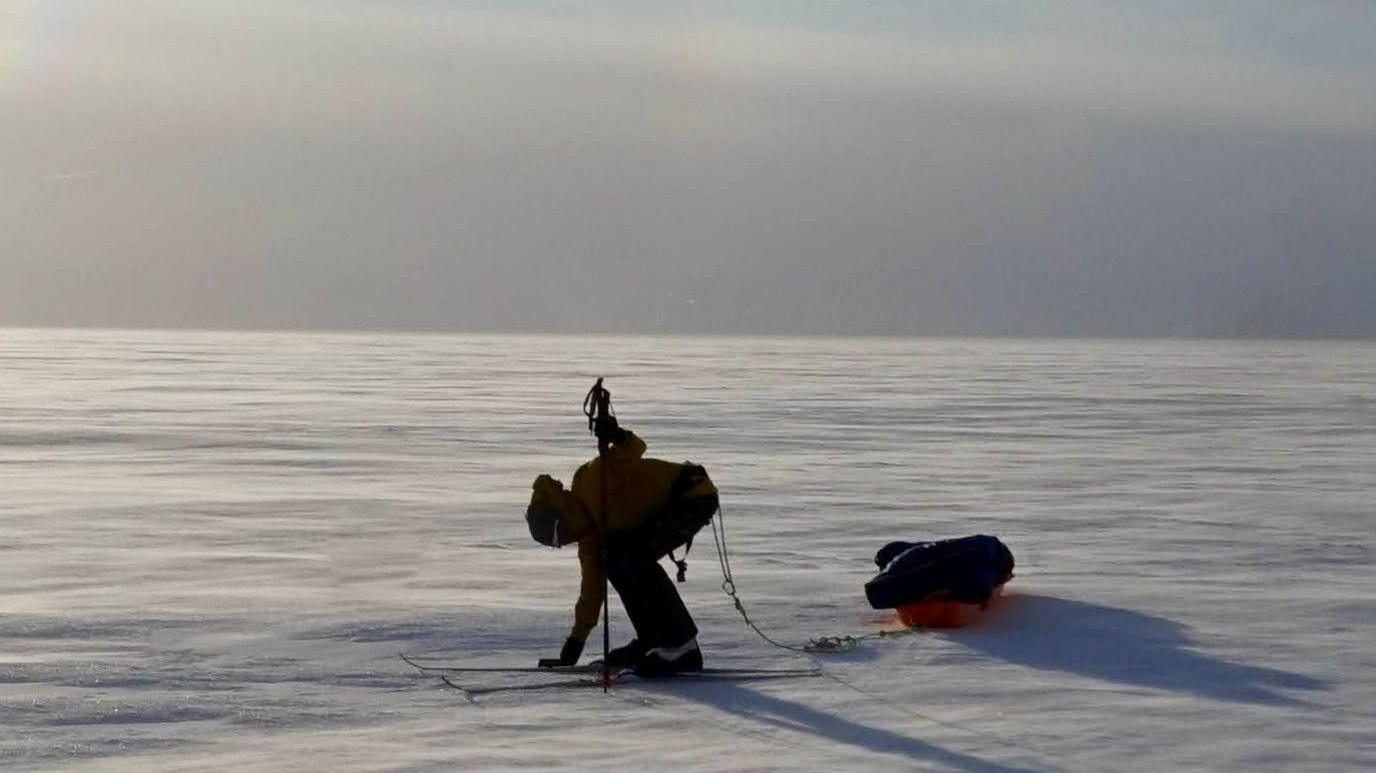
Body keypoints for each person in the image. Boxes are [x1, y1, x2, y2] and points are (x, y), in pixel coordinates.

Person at [524, 417, 718, 677]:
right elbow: (591, 593)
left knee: (632, 556)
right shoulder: (591, 538)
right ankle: (651, 639)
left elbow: (635, 447)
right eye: (557, 544)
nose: (566, 541)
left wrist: (616, 434)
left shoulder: (591, 481)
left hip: (690, 495)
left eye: (559, 534)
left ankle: (681, 646)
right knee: (614, 558)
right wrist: (573, 647)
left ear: (561, 514)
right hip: (665, 511)